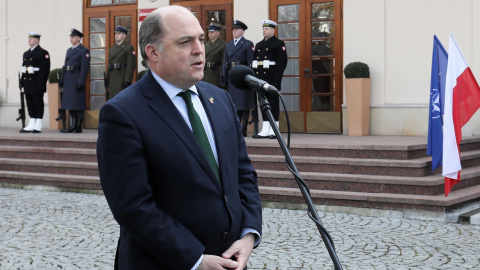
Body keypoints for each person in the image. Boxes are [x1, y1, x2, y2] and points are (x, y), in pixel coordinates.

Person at [97, 5, 262, 270]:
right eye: (185, 42)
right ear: (153, 52)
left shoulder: (221, 99)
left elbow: (243, 173)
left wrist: (249, 234)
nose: (199, 48)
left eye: (199, 38)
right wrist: (195, 260)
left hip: (229, 260)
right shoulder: (122, 113)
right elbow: (133, 207)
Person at [252, 20, 288, 139]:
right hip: (260, 79)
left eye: (266, 29)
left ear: (273, 30)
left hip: (272, 79)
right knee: (263, 104)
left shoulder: (278, 44)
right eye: (263, 28)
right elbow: (255, 63)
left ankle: (274, 129)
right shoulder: (258, 45)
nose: (264, 30)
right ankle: (265, 129)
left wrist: (276, 81)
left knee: (273, 104)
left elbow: (281, 64)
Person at [222, 20, 255, 137]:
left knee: (244, 103)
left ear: (242, 31)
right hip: (232, 76)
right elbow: (225, 62)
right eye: (233, 29)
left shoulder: (247, 44)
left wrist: (251, 79)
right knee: (234, 104)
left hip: (242, 76)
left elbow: (251, 63)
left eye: (237, 29)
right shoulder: (229, 45)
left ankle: (244, 127)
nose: (234, 31)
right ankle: (237, 127)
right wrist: (224, 77)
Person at [59, 29, 90, 133]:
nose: (71, 39)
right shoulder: (69, 50)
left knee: (78, 104)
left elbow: (85, 68)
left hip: (76, 79)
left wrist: (81, 81)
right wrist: (62, 80)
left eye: (73, 37)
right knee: (69, 103)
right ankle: (73, 124)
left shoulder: (83, 50)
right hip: (68, 79)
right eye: (70, 37)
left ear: (78, 38)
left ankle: (78, 125)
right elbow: (65, 66)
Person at [19, 32, 50, 133]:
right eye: (29, 39)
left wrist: (41, 83)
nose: (29, 40)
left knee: (37, 102)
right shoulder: (26, 53)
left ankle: (38, 123)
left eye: (32, 39)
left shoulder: (43, 53)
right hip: (28, 82)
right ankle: (32, 122)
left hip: (37, 82)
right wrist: (22, 81)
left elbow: (45, 70)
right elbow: (24, 68)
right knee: (29, 102)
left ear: (37, 40)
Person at [106, 25, 137, 100]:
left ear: (124, 36)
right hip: (113, 77)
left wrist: (127, 80)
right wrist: (107, 79)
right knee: (112, 99)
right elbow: (109, 64)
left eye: (119, 33)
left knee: (121, 99)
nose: (116, 35)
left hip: (121, 77)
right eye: (115, 33)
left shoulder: (128, 47)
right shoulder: (112, 48)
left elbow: (131, 65)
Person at [202, 22, 225, 88]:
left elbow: (223, 62)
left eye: (212, 32)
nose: (210, 34)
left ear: (218, 33)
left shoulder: (222, 45)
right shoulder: (205, 45)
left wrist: (223, 77)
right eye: (209, 32)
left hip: (214, 74)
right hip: (205, 73)